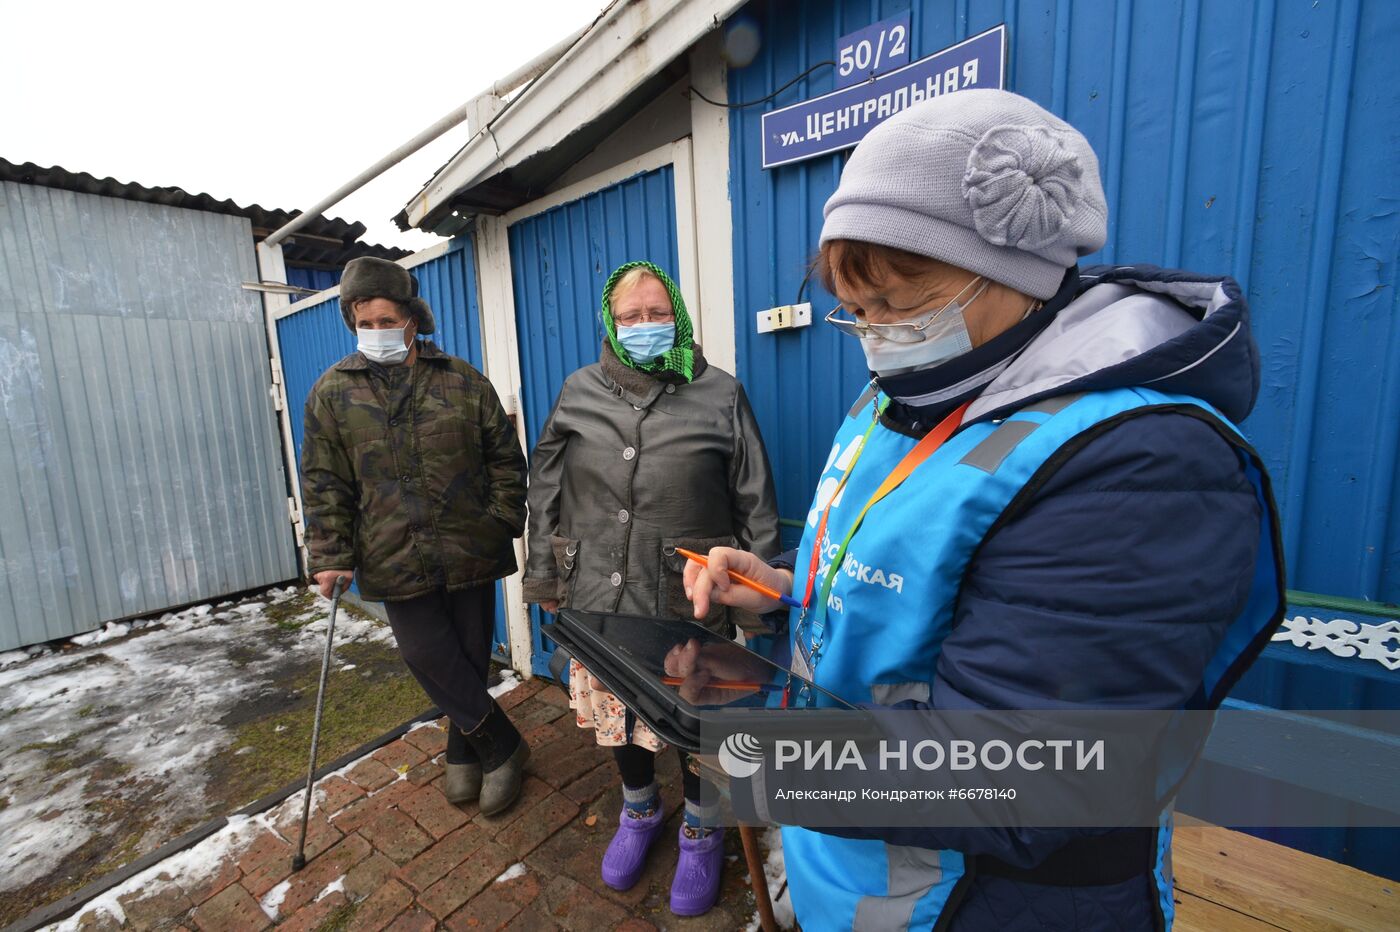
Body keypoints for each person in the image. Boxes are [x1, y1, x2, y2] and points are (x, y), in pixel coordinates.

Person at [683, 90, 1285, 931]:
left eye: (895, 306)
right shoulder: (918, 391)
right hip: (859, 866)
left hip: (993, 901)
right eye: (856, 313)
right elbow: (924, 597)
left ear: (1013, 275)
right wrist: (786, 594)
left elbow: (1025, 774)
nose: (876, 337)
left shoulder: (1144, 465)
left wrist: (739, 749)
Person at [521, 260, 781, 916]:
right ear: (611, 321)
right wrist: (546, 573)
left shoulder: (719, 393)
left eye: (657, 314)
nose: (644, 326)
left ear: (679, 318)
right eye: (630, 316)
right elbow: (546, 486)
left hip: (687, 597)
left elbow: (755, 499)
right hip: (597, 598)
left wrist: (764, 603)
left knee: (699, 718)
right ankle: (639, 810)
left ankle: (701, 825)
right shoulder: (578, 390)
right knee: (619, 720)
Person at [300, 256, 531, 816]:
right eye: (365, 322)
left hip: (468, 544)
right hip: (391, 551)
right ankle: (502, 745)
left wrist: (500, 518)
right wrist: (331, 554)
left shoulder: (461, 379)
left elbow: (505, 456)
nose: (377, 332)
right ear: (351, 321)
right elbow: (325, 480)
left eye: (387, 320)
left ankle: (462, 750)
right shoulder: (333, 393)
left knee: (470, 655)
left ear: (411, 318)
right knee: (429, 654)